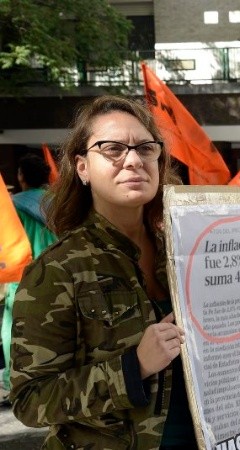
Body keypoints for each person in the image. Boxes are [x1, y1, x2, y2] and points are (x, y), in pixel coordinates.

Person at [10, 96, 195, 449]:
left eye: (145, 148)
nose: (133, 159)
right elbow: (30, 400)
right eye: (112, 149)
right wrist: (133, 368)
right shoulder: (58, 270)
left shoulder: (186, 252)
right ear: (82, 167)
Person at [2, 154, 58, 401]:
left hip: (24, 275)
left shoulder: (12, 206)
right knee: (57, 324)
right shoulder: (59, 203)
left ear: (21, 176)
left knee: (14, 326)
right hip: (59, 272)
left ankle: (13, 380)